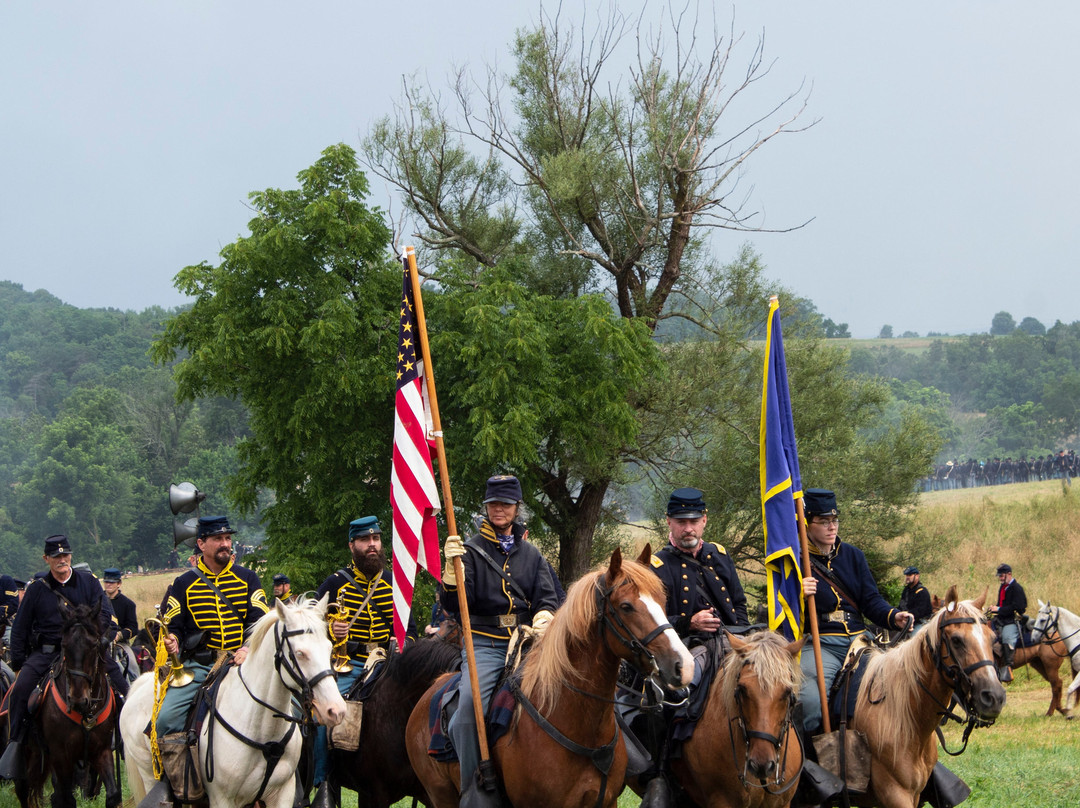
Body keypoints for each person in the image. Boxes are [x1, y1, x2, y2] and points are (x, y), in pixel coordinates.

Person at [441, 474, 560, 799]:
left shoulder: (532, 555)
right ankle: (473, 789)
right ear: (486, 507)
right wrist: (451, 577)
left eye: (505, 504)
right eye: (493, 504)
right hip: (485, 642)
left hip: (525, 641)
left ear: (516, 508)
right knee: (467, 709)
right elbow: (454, 605)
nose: (499, 510)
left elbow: (546, 596)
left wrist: (544, 616)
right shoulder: (470, 550)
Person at [0, 535, 129, 780]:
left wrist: (99, 641)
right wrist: (18, 664)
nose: (62, 560)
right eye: (56, 556)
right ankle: (16, 746)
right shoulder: (37, 589)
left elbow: (106, 615)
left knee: (124, 689)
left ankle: (127, 741)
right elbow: (20, 629)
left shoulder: (89, 583)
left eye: (65, 555)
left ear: (71, 556)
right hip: (47, 652)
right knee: (19, 692)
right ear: (46, 559)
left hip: (87, 652)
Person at [311, 516, 417, 808]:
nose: (372, 545)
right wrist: (332, 631)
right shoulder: (334, 583)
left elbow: (412, 630)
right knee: (324, 718)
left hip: (390, 664)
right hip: (350, 663)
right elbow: (311, 632)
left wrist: (403, 643)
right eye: (364, 541)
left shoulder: (396, 582)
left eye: (376, 540)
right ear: (352, 545)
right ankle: (324, 784)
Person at [798, 489, 914, 735]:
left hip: (860, 643)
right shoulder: (796, 561)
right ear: (807, 523)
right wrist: (798, 593)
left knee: (896, 690)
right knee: (810, 703)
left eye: (835, 520)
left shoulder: (853, 556)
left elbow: (871, 600)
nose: (832, 527)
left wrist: (894, 616)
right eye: (824, 521)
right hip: (821, 644)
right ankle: (809, 765)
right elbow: (781, 611)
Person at [155, 516, 269, 743]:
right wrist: (173, 640)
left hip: (242, 662)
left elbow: (260, 622)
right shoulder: (184, 583)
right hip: (200, 666)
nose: (226, 544)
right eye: (218, 539)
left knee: (294, 712)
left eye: (227, 538)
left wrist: (246, 649)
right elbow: (174, 626)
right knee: (166, 720)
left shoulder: (248, 578)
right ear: (201, 544)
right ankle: (175, 778)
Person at [988, 563, 1026, 682]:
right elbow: (1002, 604)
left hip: (1011, 620)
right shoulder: (1003, 587)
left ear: (1009, 574)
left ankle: (1008, 666)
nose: (1000, 578)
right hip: (1001, 618)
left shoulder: (1017, 588)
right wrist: (995, 607)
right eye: (999, 576)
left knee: (1006, 637)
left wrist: (999, 609)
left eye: (1002, 576)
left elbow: (1019, 607)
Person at [103, 567, 140, 679]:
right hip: (100, 643)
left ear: (118, 584)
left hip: (120, 645)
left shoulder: (128, 604)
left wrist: (119, 635)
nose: (108, 585)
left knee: (133, 669)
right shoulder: (97, 600)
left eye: (112, 582)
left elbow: (133, 628)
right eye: (106, 582)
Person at [898, 565, 933, 629]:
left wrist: (907, 614)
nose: (907, 577)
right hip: (907, 620)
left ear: (917, 576)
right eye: (907, 575)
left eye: (910, 575)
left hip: (920, 622)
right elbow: (901, 605)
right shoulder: (906, 590)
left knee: (915, 636)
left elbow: (921, 611)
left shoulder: (922, 591)